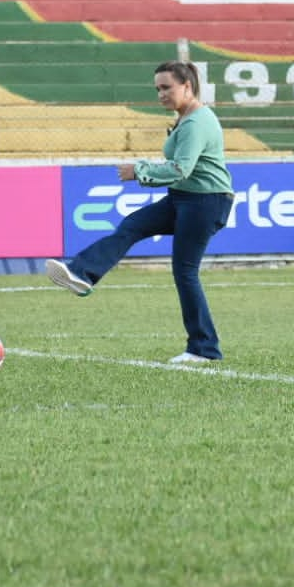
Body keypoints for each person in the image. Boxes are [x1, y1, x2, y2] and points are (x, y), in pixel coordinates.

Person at [45, 61, 236, 364]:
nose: (160, 94)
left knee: (185, 272)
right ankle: (82, 274)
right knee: (132, 225)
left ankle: (204, 348)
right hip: (184, 198)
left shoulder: (198, 121)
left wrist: (140, 171)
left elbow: (180, 168)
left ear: (187, 86)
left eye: (166, 87)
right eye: (157, 88)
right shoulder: (185, 118)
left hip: (206, 201)